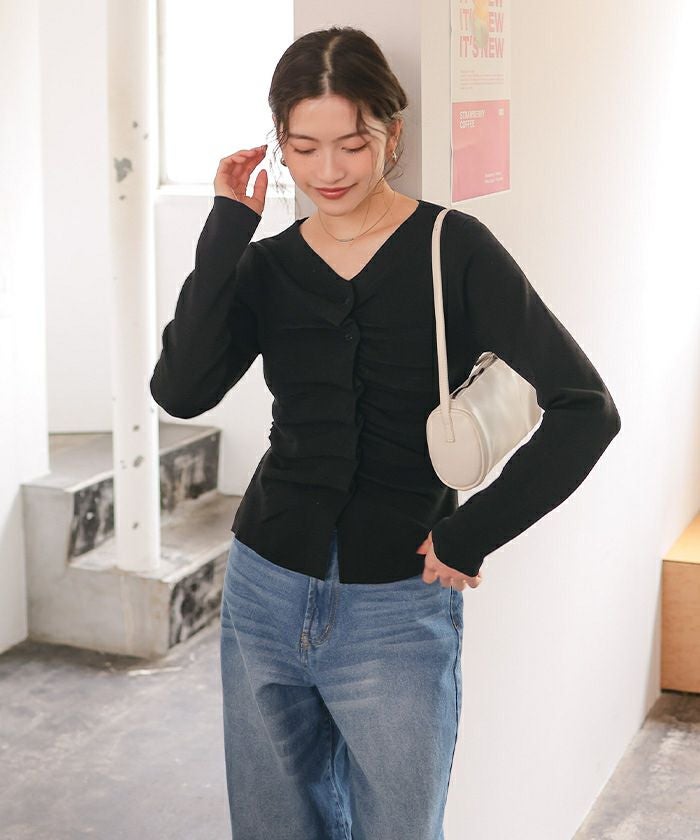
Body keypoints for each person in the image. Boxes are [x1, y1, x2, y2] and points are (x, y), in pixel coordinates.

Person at [149, 25, 621, 840]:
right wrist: (226, 229)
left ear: (392, 134)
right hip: (264, 588)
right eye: (304, 148)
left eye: (353, 144)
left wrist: (471, 534)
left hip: (397, 608)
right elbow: (181, 391)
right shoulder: (267, 266)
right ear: (279, 144)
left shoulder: (452, 249)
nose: (328, 171)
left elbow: (587, 408)